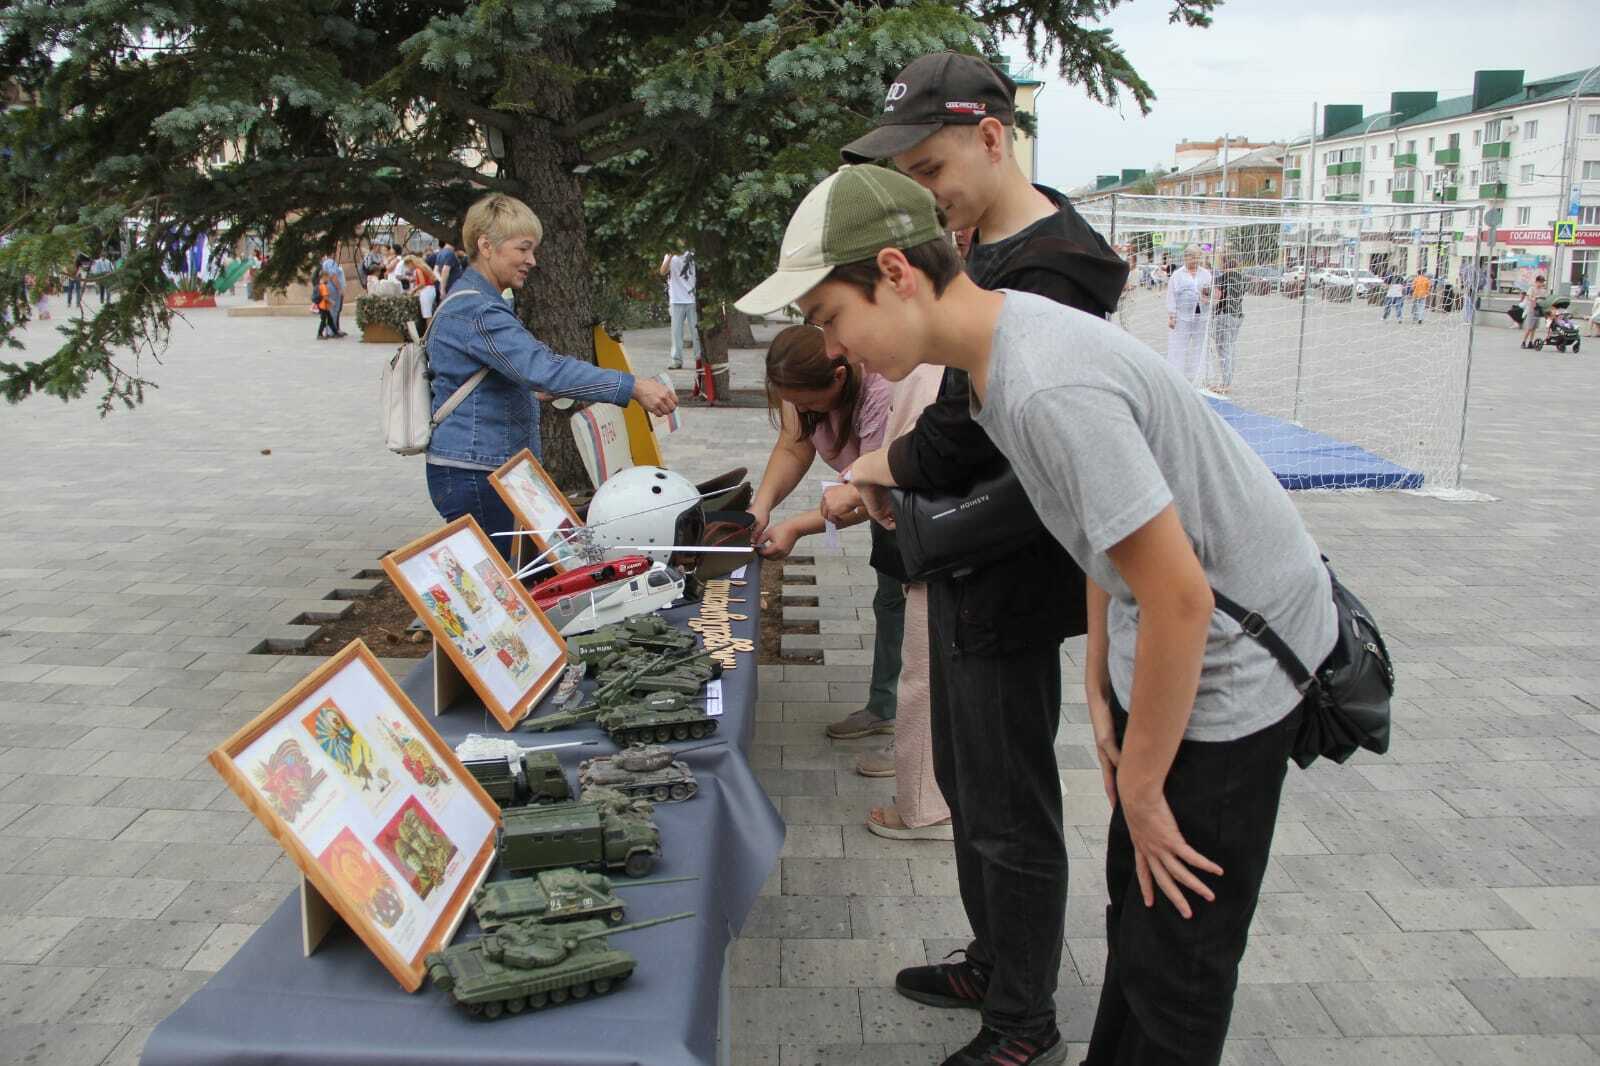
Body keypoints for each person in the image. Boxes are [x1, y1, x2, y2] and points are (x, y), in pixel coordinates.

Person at [738, 161, 1336, 1066]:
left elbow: (1181, 595)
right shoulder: (993, 363)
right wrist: (1098, 683)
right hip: (1172, 649)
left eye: (831, 318)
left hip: (1235, 668)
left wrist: (1138, 786)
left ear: (896, 272)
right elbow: (1101, 532)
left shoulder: (1043, 380)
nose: (839, 350)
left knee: (1177, 954)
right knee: (1137, 919)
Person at [812, 52, 1127, 1066]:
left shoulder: (1053, 264)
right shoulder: (975, 248)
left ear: (994, 136)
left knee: (1008, 805)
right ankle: (995, 960)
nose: (925, 195)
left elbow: (971, 437)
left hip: (1010, 568)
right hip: (951, 554)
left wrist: (875, 464)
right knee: (964, 776)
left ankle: (1022, 1022)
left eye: (934, 167)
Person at [425, 193, 677, 558]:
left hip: (483, 467)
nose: (532, 260)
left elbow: (517, 371)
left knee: (516, 579)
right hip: (476, 473)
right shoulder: (478, 310)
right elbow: (545, 370)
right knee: (501, 589)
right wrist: (632, 386)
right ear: (486, 246)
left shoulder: (479, 302)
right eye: (523, 249)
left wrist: (526, 388)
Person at [747, 326, 919, 805]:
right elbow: (793, 444)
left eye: (810, 404)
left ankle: (916, 743)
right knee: (890, 603)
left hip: (914, 504)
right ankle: (884, 707)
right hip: (885, 508)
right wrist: (761, 507)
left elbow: (869, 492)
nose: (803, 412)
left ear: (840, 378)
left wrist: (797, 528)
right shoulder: (797, 388)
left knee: (919, 620)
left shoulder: (880, 391)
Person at [1165, 244, 1212, 385]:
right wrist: (1172, 316)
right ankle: (1176, 377)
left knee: (1199, 347)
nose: (1193, 260)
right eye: (1190, 257)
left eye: (1196, 258)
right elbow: (1171, 296)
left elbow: (1210, 291)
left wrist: (1207, 297)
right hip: (1182, 317)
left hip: (1201, 316)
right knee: (1179, 346)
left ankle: (1199, 377)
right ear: (1185, 258)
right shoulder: (1177, 275)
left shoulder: (1206, 274)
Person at [659, 247, 697, 370]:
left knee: (696, 333)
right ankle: (676, 360)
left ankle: (699, 359)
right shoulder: (670, 255)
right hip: (676, 300)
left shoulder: (692, 253)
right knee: (676, 333)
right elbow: (662, 271)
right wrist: (670, 256)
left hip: (692, 299)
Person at [1212, 254, 1245, 390]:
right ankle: (1229, 381)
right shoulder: (1242, 278)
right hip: (1237, 316)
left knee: (1223, 349)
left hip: (1224, 315)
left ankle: (1225, 383)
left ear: (1224, 265)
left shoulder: (1223, 277)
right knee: (1231, 348)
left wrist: (1212, 309)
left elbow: (1217, 297)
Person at [319, 249, 347, 337]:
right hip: (333, 290)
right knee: (334, 311)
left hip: (330, 289)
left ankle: (331, 330)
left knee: (332, 311)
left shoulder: (326, 262)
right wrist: (340, 289)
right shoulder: (331, 262)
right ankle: (332, 331)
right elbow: (333, 276)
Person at [1521, 274, 1547, 349]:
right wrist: (1534, 298)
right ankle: (1523, 342)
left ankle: (1530, 342)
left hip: (1538, 311)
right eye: (1540, 282)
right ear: (1536, 282)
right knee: (1529, 327)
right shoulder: (1532, 289)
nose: (1541, 283)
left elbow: (1544, 299)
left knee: (1534, 328)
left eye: (1542, 282)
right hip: (1532, 310)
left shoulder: (1543, 290)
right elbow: (1529, 297)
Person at [314, 269, 336, 339]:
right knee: (324, 321)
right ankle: (319, 334)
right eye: (327, 277)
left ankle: (335, 332)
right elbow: (325, 297)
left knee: (330, 320)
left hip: (323, 306)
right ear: (323, 277)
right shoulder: (323, 286)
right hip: (323, 306)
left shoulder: (320, 285)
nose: (328, 279)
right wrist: (331, 302)